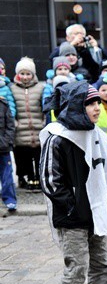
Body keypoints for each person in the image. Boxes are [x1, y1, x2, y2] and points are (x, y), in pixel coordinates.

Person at [39, 81, 107, 284]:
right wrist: (72, 206)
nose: (97, 107)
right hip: (72, 216)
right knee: (76, 267)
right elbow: (49, 180)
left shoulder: (97, 135)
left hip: (95, 213)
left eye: (98, 102)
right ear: (76, 106)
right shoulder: (58, 138)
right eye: (90, 103)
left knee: (102, 263)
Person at [12, 57, 45, 191]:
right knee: (23, 156)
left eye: (28, 74)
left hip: (37, 127)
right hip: (21, 129)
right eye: (22, 73)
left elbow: (42, 106)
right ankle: (25, 178)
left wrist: (43, 121)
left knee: (38, 155)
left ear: (33, 74)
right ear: (17, 74)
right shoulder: (13, 89)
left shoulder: (40, 88)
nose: (25, 77)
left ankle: (38, 178)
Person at [0, 91, 15, 216]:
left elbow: (10, 125)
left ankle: (10, 200)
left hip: (3, 147)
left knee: (7, 176)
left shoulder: (3, 103)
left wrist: (7, 141)